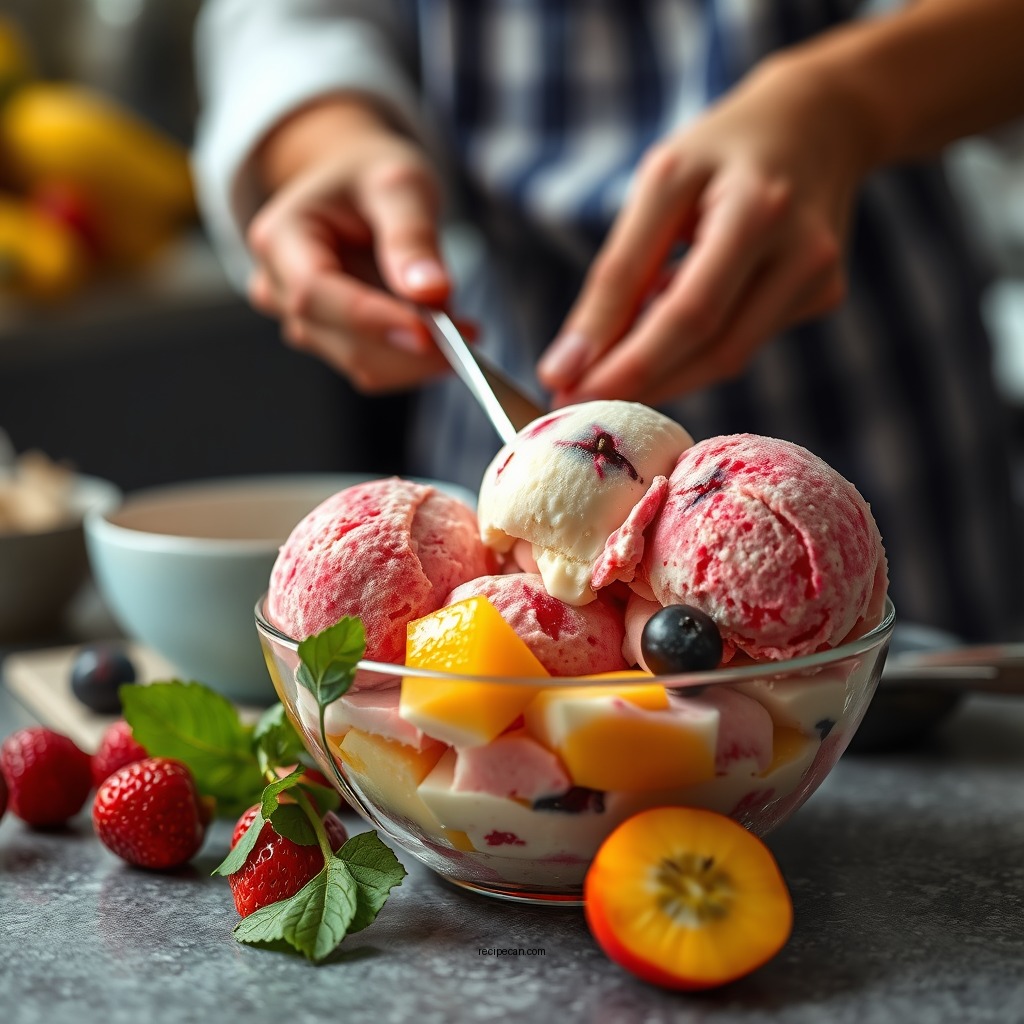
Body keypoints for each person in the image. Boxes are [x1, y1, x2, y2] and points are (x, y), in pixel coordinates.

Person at [191, 0, 1024, 643]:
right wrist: (323, 140)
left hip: (881, 391)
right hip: (495, 376)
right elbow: (290, 18)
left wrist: (849, 100)